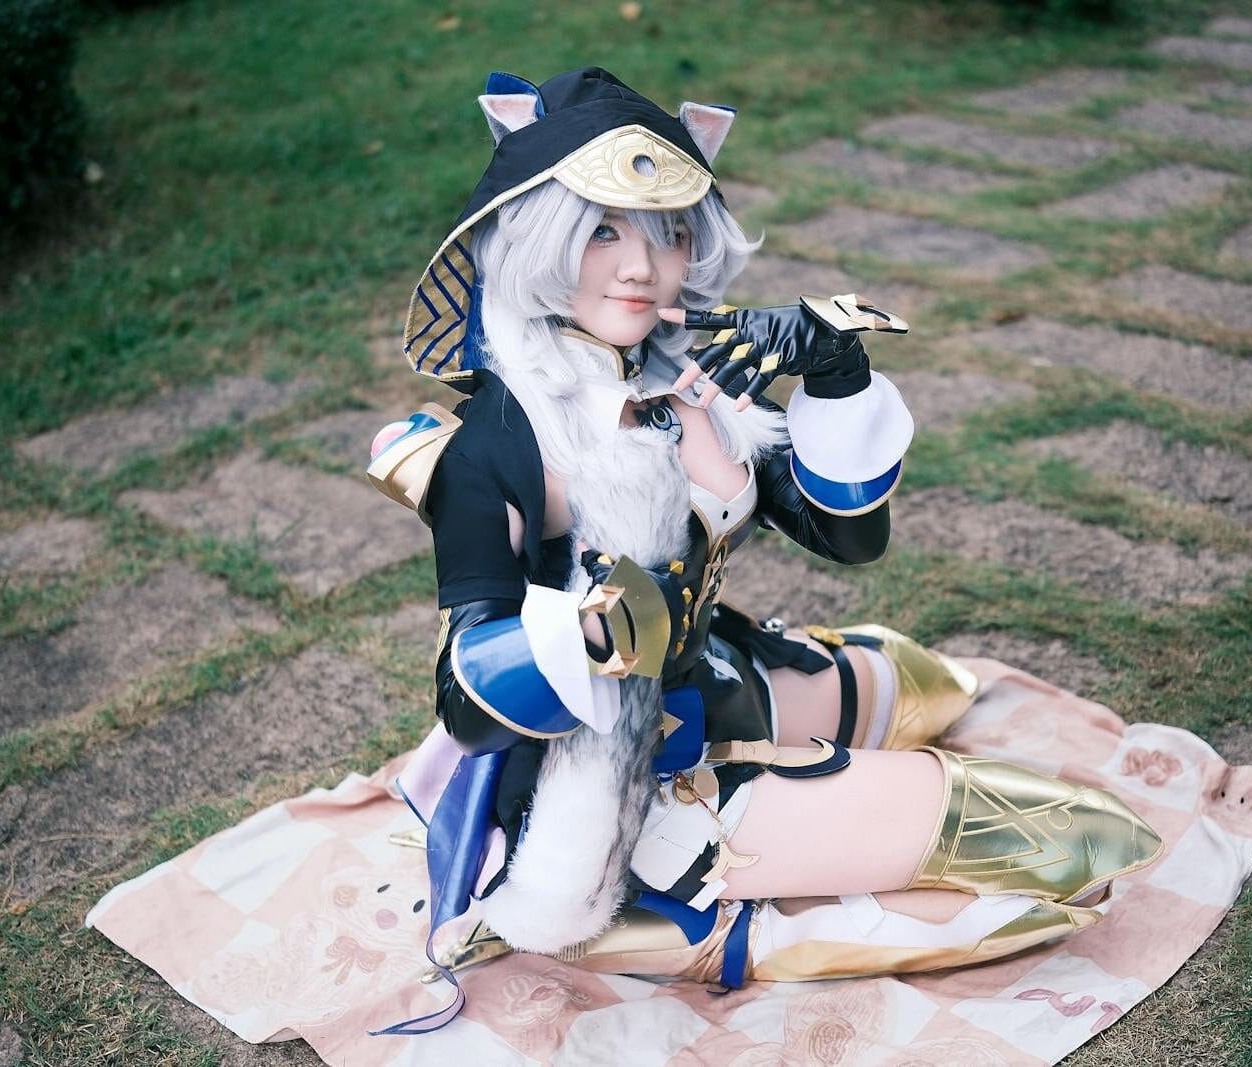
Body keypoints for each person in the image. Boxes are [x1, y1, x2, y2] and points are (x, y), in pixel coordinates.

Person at [366, 67, 1162, 1034]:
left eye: (667, 232)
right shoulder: (495, 440)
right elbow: (467, 697)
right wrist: (600, 627)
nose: (639, 267)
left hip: (713, 672)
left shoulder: (686, 372)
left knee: (920, 683)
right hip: (603, 770)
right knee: (1046, 832)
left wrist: (835, 369)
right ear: (539, 242)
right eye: (603, 230)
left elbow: (850, 535)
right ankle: (668, 905)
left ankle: (783, 765)